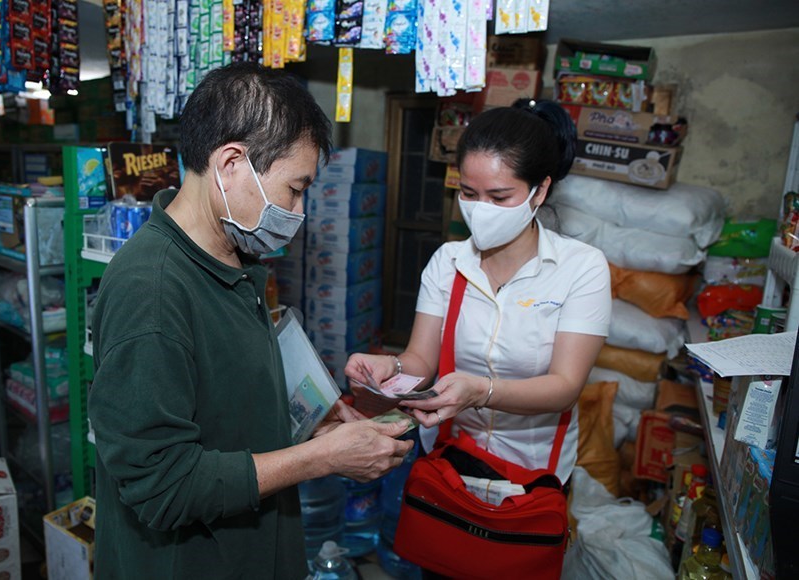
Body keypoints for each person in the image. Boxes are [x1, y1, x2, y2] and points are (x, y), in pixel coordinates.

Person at [88, 62, 413, 579]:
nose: (299, 210)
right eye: (295, 188)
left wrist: (315, 422)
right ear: (232, 163)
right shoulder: (151, 291)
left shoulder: (233, 257)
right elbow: (163, 487)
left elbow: (225, 396)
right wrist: (323, 459)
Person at [346, 99, 611, 491]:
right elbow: (420, 359)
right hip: (451, 458)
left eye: (500, 197)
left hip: (533, 472)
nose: (481, 210)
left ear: (539, 192)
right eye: (469, 193)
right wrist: (393, 368)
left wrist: (481, 391)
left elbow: (565, 386)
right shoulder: (447, 262)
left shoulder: (581, 268)